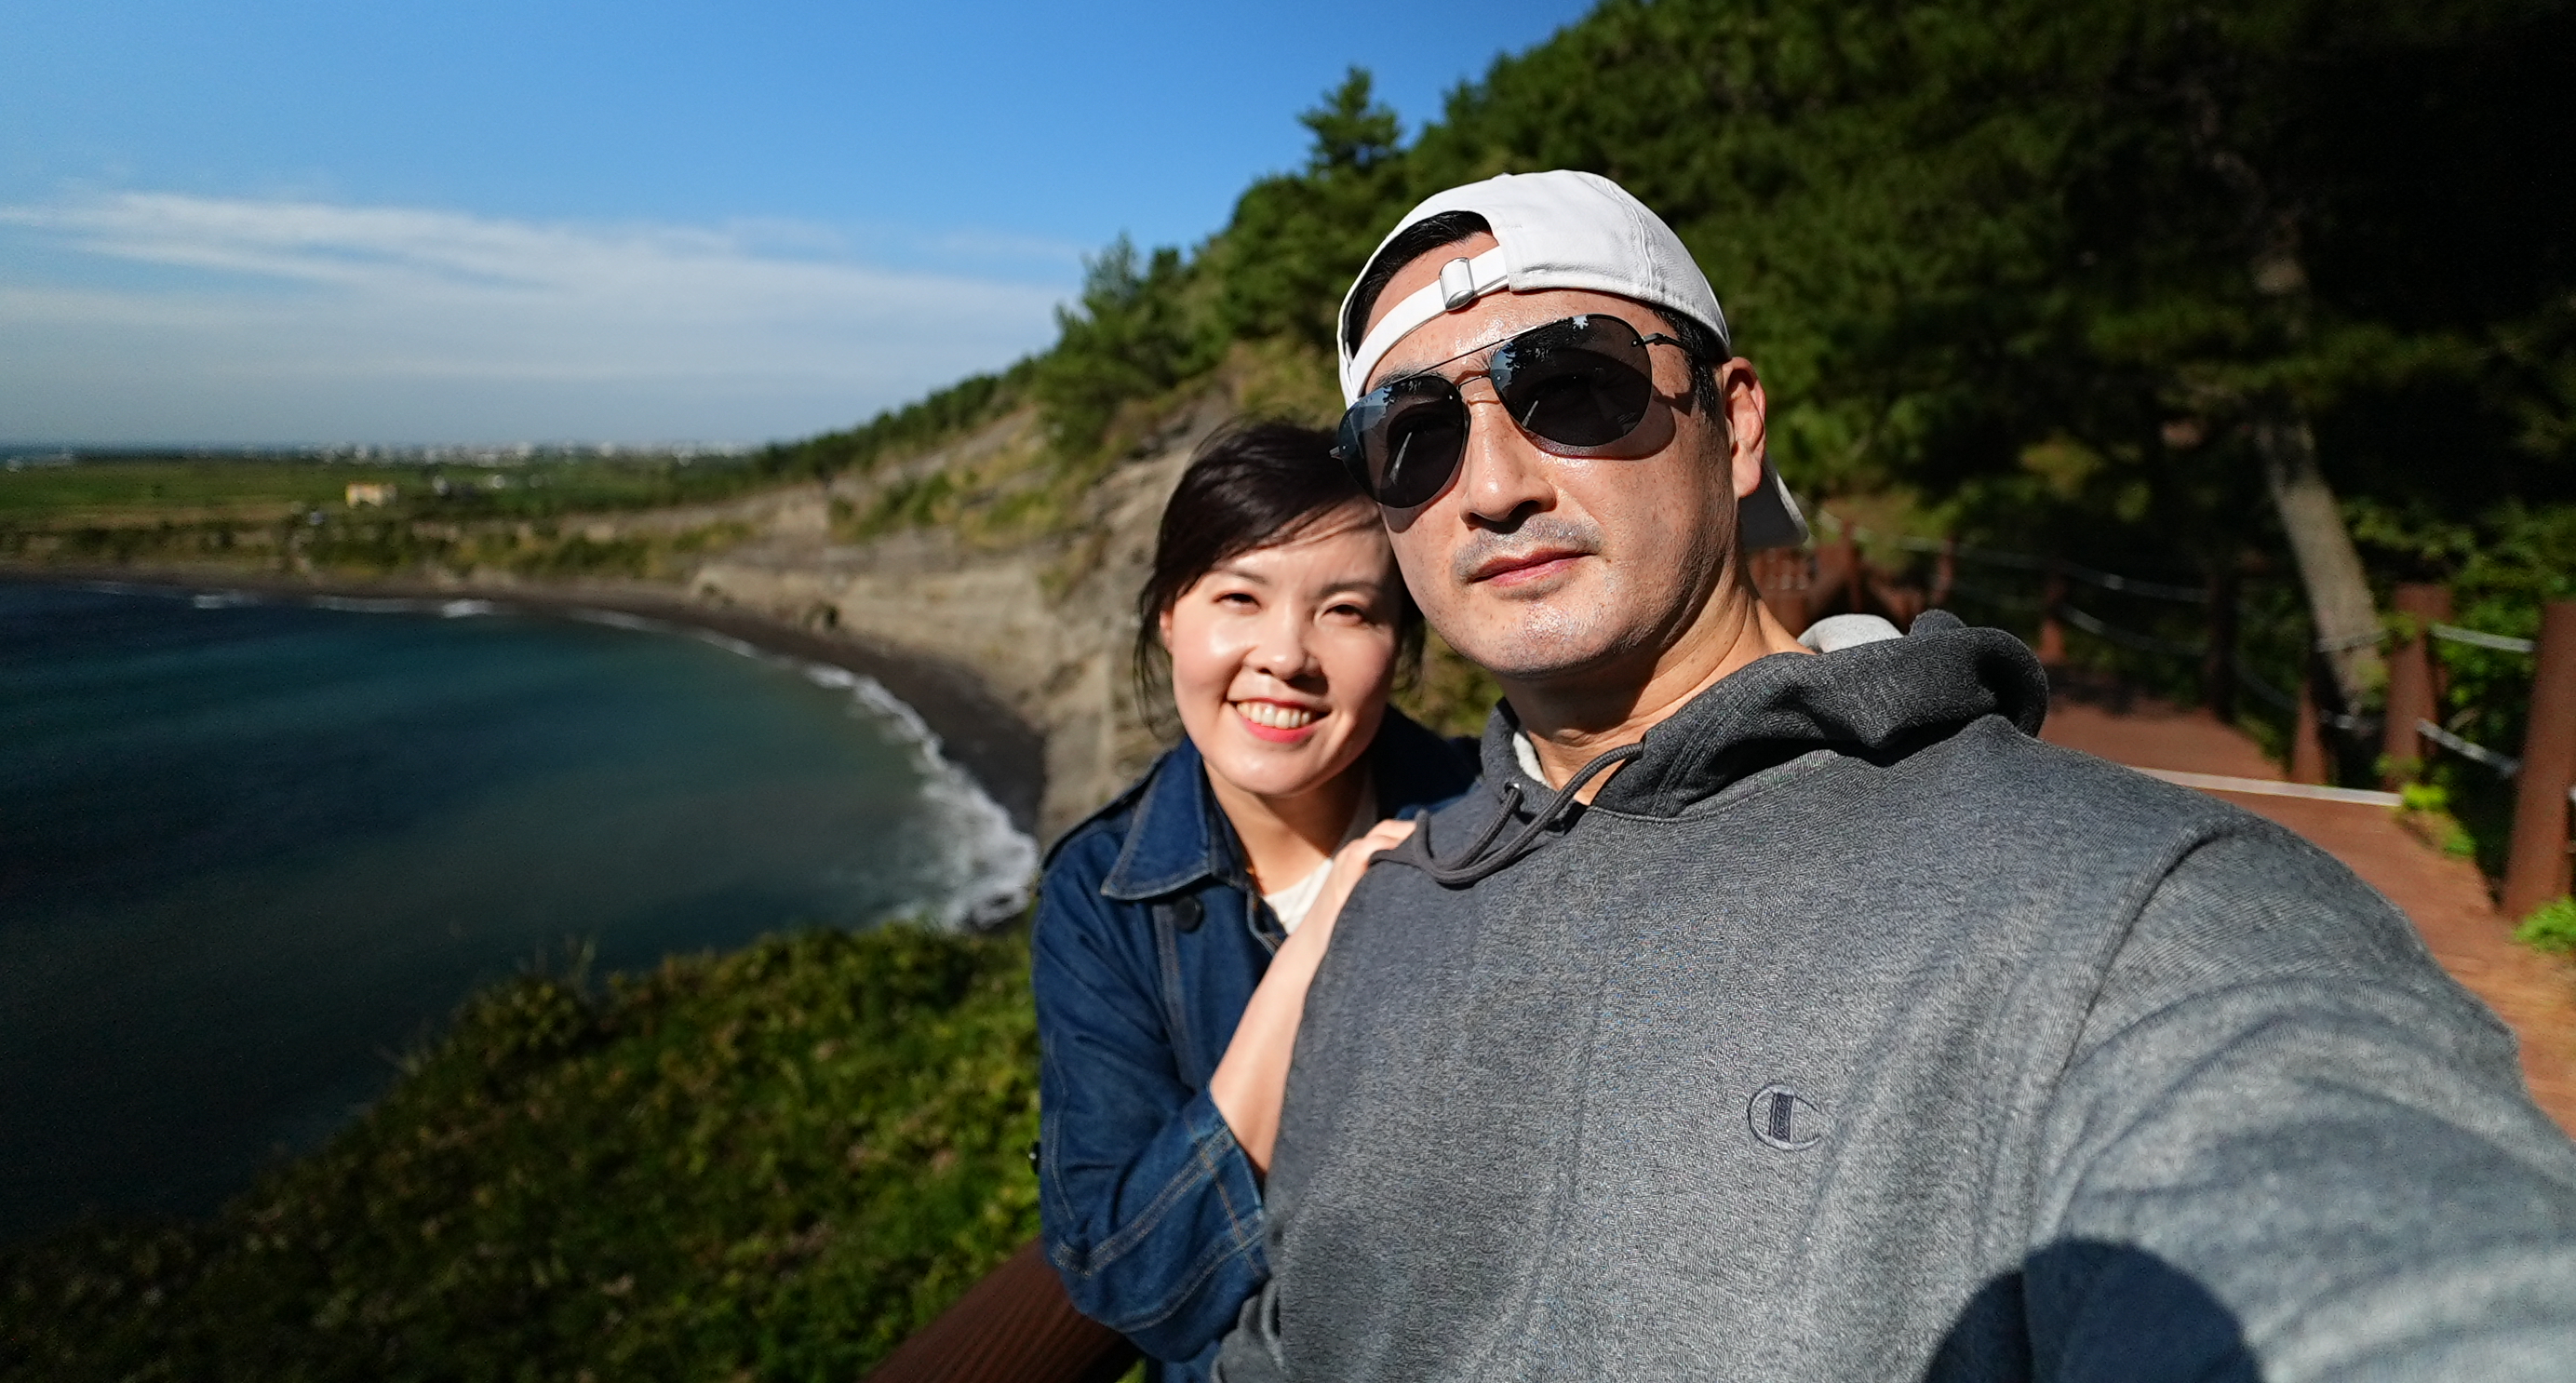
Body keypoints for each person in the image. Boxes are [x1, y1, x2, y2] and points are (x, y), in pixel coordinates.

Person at [1215, 170, 2576, 1380]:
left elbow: (2372, 1256)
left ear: (1734, 420)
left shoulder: (2129, 916)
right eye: (1415, 435)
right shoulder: (1385, 912)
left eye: (1571, 385)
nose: (1493, 485)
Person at [1033, 422, 1476, 1382]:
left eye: (1346, 610)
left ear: (1398, 642)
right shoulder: (1102, 897)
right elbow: (1133, 1279)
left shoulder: (1491, 816)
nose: (1285, 655)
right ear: (1169, 615)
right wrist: (1314, 952)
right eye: (1239, 596)